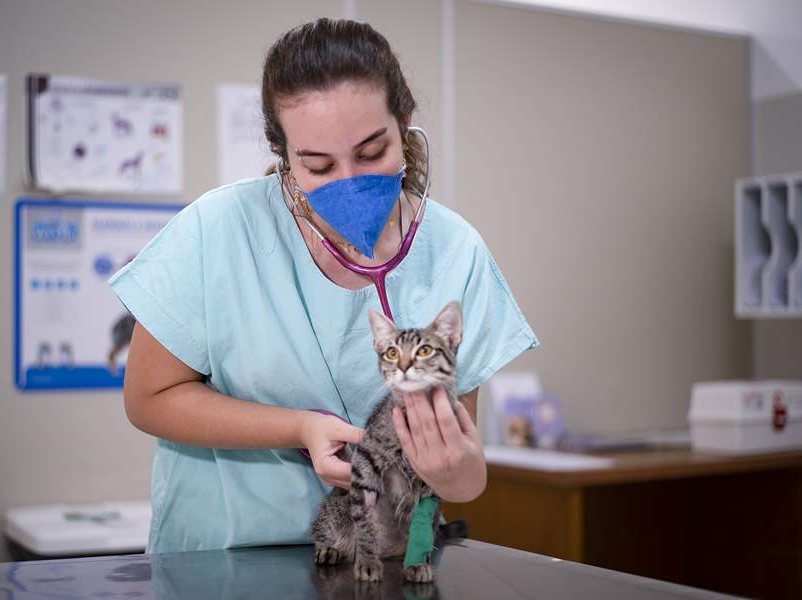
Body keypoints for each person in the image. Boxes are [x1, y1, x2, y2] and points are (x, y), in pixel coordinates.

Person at [109, 17, 538, 553]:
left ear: (404, 125)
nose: (348, 182)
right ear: (284, 157)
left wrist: (460, 471)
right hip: (220, 565)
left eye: (372, 152)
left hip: (380, 562)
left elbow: (457, 467)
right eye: (317, 164)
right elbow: (148, 399)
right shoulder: (218, 229)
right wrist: (298, 428)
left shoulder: (455, 251)